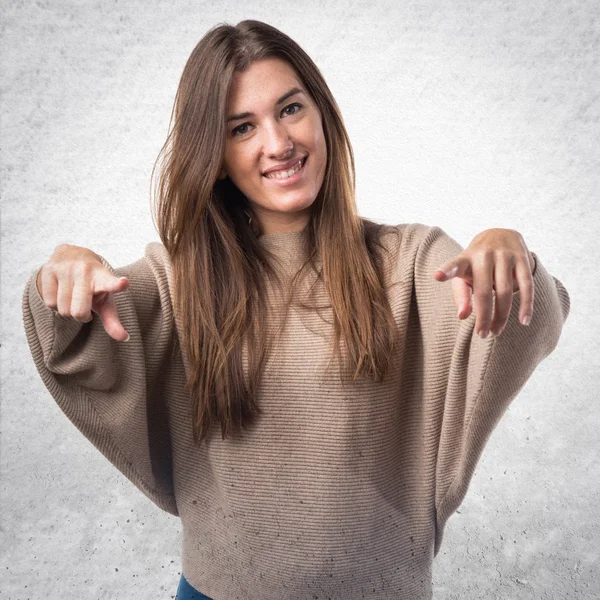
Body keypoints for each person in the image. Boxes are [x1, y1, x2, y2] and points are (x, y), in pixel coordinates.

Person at [22, 19, 571, 600]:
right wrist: (64, 272)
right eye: (242, 127)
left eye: (289, 109)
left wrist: (507, 251)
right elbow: (71, 334)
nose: (278, 143)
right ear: (216, 155)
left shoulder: (411, 261)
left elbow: (526, 316)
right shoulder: (180, 277)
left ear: (322, 115)